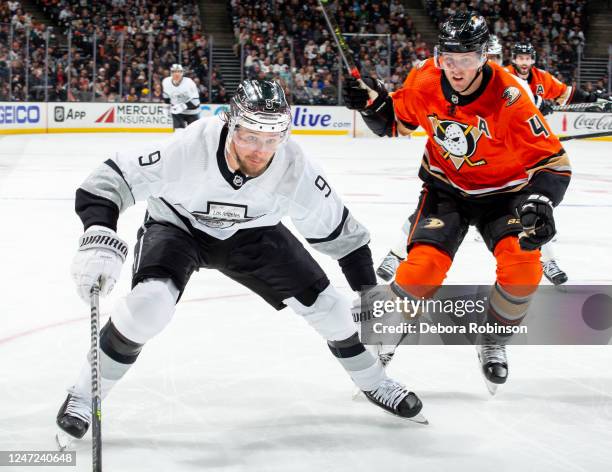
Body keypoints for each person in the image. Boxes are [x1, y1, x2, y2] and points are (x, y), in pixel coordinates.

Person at [55, 79, 426, 448]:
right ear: (231, 124)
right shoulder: (190, 147)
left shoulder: (295, 167)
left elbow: (344, 236)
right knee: (145, 309)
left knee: (334, 312)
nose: (259, 150)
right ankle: (85, 395)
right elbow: (108, 180)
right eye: (250, 136)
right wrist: (98, 234)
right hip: (179, 227)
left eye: (271, 138)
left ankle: (374, 382)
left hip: (254, 235)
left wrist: (367, 294)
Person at [343, 13, 571, 394]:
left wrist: (543, 200)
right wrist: (369, 105)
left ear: (484, 57)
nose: (457, 68)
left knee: (523, 271)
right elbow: (394, 122)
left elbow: (554, 162)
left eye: (466, 58)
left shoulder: (511, 97)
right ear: (439, 56)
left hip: (505, 193)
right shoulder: (425, 78)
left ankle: (493, 339)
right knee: (421, 272)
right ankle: (385, 340)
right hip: (446, 188)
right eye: (449, 58)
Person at [506, 42, 611, 107]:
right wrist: (536, 103)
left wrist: (592, 98)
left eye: (527, 58)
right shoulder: (504, 75)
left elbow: (565, 92)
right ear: (514, 60)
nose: (524, 62)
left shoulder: (542, 77)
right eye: (520, 58)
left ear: (533, 60)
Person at [162, 64, 201, 130]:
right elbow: (166, 96)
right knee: (178, 133)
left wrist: (182, 106)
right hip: (176, 111)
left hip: (192, 112)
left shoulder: (189, 83)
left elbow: (196, 101)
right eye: (174, 72)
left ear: (182, 73)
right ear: (171, 73)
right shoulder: (166, 82)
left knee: (193, 134)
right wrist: (166, 107)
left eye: (179, 71)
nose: (176, 74)